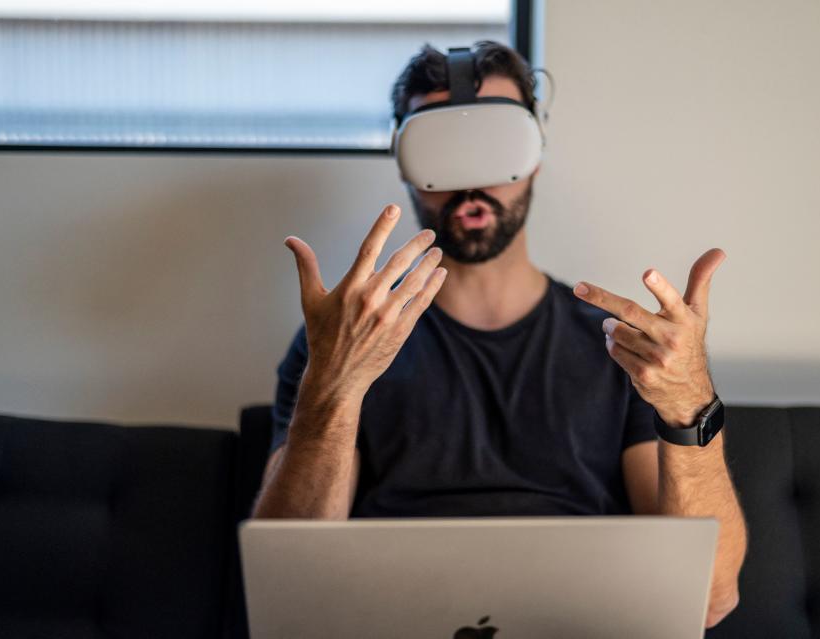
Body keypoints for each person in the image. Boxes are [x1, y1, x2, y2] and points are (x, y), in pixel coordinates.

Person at [252, 41, 746, 628]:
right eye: (442, 147)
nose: (471, 183)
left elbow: (710, 598)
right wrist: (334, 385)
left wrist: (690, 404)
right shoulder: (343, 342)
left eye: (494, 144)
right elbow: (294, 586)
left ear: (534, 153)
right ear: (404, 158)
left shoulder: (622, 348)